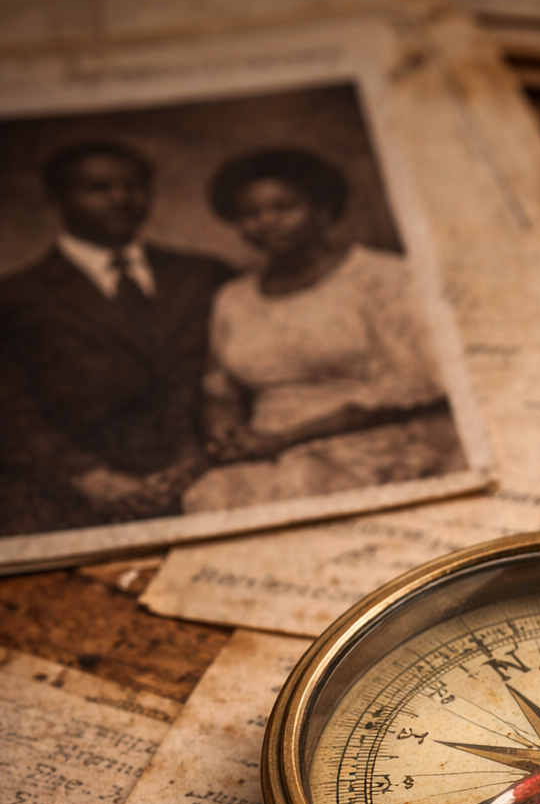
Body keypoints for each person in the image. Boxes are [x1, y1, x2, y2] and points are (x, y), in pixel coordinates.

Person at [181, 146, 464, 514]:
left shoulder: (386, 277)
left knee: (304, 486)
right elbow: (219, 389)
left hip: (370, 438)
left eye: (284, 207)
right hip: (266, 446)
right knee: (209, 498)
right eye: (250, 213)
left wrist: (282, 440)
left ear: (322, 209)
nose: (267, 222)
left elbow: (415, 383)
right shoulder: (233, 297)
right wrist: (226, 435)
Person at [0, 139, 233, 535]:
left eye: (133, 185)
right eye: (98, 189)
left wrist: (197, 458)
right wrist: (91, 478)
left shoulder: (202, 274)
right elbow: (9, 410)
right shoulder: (17, 296)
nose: (121, 199)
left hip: (206, 478)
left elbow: (238, 374)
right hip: (68, 498)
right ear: (57, 198)